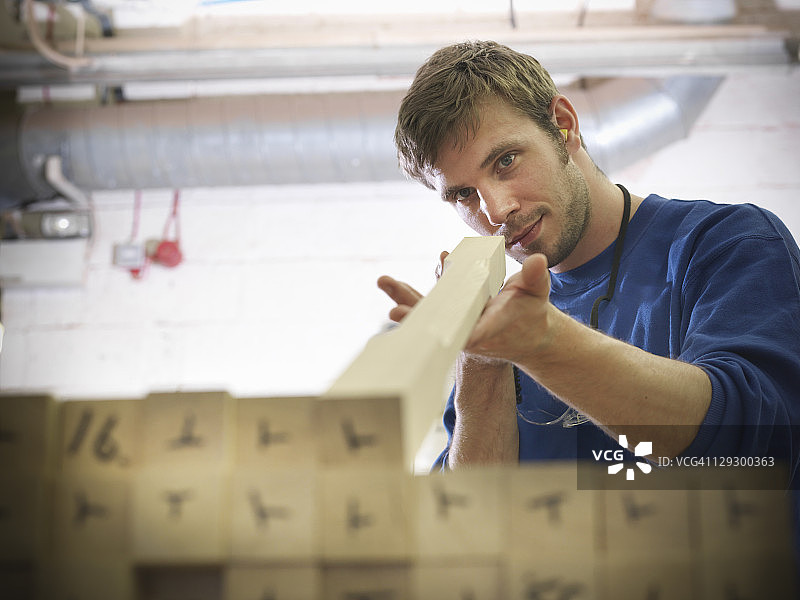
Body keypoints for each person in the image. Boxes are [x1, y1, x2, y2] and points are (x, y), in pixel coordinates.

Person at [377, 41, 800, 492]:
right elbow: (468, 517)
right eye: (463, 194)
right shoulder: (502, 320)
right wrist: (481, 361)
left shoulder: (725, 242)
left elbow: (762, 449)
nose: (496, 210)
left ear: (563, 126)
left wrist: (545, 345)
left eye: (506, 161)